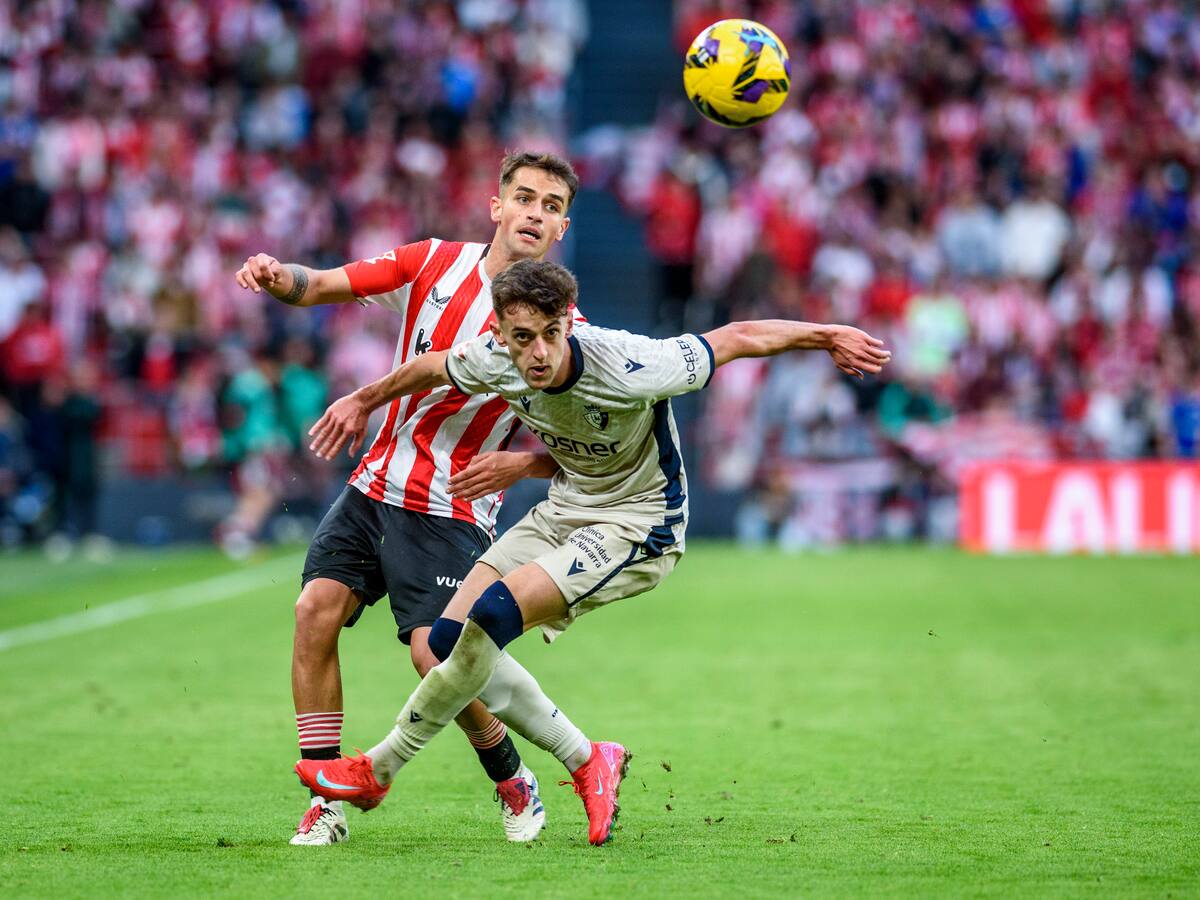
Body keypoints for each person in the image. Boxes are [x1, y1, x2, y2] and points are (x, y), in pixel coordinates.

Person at [297, 258, 893, 845]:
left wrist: (827, 335)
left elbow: (736, 337)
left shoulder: (632, 363)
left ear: (568, 323)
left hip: (639, 520)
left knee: (496, 613)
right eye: (523, 338)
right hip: (567, 504)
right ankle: (588, 758)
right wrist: (365, 399)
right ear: (499, 333)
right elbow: (433, 365)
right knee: (446, 644)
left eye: (551, 334)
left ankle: (379, 768)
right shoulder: (493, 358)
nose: (538, 353)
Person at [234, 152, 599, 847]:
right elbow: (321, 285)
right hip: (375, 483)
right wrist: (278, 277)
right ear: (496, 207)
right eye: (524, 197)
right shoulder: (432, 262)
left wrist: (520, 464)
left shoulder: (567, 331)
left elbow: (592, 448)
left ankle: (511, 778)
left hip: (450, 506)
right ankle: (325, 800)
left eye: (551, 206)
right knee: (313, 611)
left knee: (436, 654)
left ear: (561, 229)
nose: (535, 213)